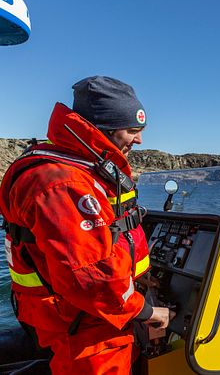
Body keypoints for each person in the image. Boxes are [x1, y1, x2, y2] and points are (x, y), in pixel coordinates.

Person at [0, 76, 171, 374]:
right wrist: (145, 310)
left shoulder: (72, 167)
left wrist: (139, 277)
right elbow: (91, 277)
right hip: (86, 326)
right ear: (103, 128)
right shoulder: (63, 182)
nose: (139, 140)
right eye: (132, 130)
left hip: (89, 315)